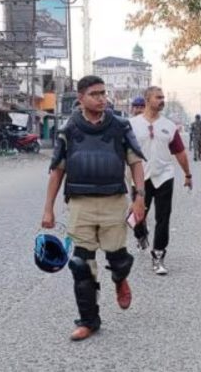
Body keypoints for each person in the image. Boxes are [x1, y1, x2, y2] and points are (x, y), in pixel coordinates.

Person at [41, 75, 147, 341]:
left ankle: (120, 279)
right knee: (80, 264)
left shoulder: (120, 126)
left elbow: (135, 163)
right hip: (80, 204)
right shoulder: (69, 129)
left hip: (113, 201)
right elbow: (57, 171)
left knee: (118, 259)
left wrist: (139, 197)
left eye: (103, 93)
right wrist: (48, 209)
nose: (102, 98)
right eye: (95, 94)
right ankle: (89, 321)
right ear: (80, 98)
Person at [130, 86, 193, 275]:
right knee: (137, 217)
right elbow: (122, 152)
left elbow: (180, 152)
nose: (162, 100)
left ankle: (158, 255)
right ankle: (140, 234)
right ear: (147, 99)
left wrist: (188, 174)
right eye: (158, 97)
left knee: (163, 217)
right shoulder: (131, 125)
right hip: (139, 178)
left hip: (164, 176)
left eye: (163, 97)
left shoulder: (169, 126)